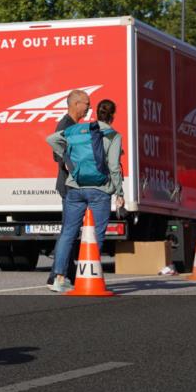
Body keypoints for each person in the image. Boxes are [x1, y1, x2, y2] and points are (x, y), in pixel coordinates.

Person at [46, 98, 124, 293]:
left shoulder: (79, 130)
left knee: (68, 232)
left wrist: (67, 159)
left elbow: (51, 139)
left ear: (95, 113)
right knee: (95, 234)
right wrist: (119, 192)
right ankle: (88, 274)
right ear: (112, 115)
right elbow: (114, 167)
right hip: (100, 190)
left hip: (75, 187)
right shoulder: (113, 135)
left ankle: (59, 278)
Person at [47, 89, 92, 286]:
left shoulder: (74, 126)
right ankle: (57, 275)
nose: (89, 107)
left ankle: (66, 273)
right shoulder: (66, 125)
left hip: (73, 186)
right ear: (75, 104)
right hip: (69, 186)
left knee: (70, 232)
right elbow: (58, 155)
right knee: (69, 232)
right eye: (86, 103)